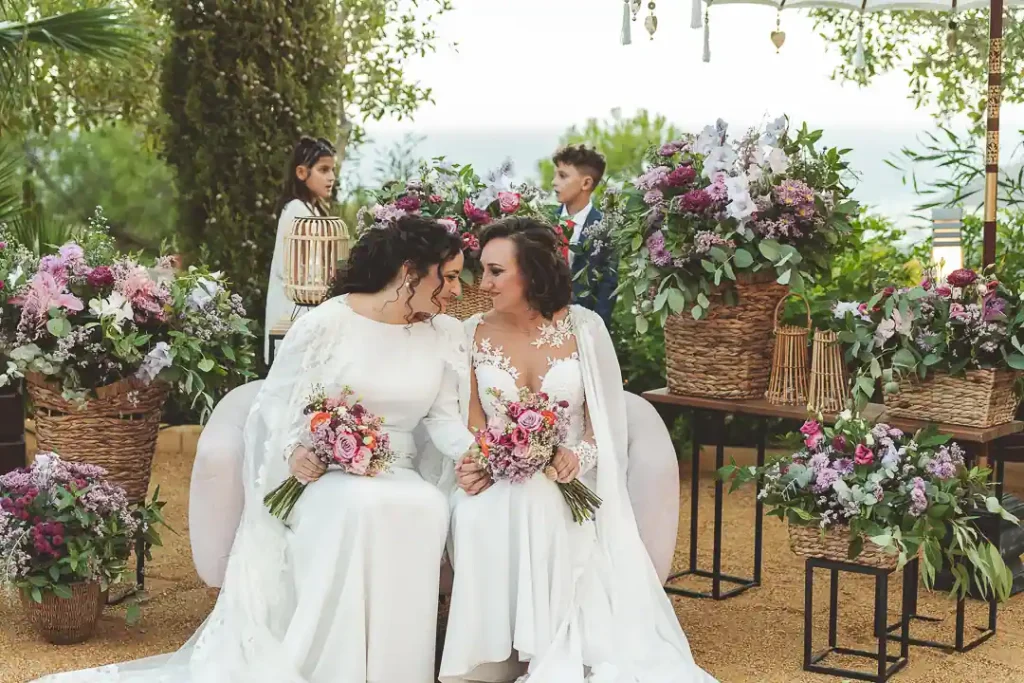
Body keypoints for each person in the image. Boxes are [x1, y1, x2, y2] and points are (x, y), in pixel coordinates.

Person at [33, 216, 476, 683]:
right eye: (447, 277)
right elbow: (278, 406)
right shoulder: (327, 323)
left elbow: (444, 418)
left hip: (400, 470)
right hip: (327, 473)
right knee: (358, 507)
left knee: (426, 505)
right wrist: (295, 452)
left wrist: (478, 454)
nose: (456, 291)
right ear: (410, 271)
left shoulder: (443, 333)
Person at [440, 217, 716, 683]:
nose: (481, 283)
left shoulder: (585, 328)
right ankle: (492, 652)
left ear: (531, 273)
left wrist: (576, 458)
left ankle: (546, 649)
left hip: (570, 478)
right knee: (482, 509)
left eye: (494, 272)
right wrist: (482, 460)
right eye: (480, 270)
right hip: (496, 473)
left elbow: (604, 424)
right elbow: (473, 421)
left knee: (541, 501)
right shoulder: (470, 333)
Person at [265, 136, 337, 365]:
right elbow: (296, 271)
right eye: (324, 170)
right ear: (301, 172)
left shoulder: (311, 210)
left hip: (305, 309)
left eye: (332, 170)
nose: (331, 177)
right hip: (293, 311)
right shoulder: (298, 210)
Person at [552, 144, 617, 329]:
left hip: (583, 328)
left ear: (586, 183)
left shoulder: (605, 229)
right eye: (555, 174)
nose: (554, 182)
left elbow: (607, 287)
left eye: (562, 175)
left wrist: (596, 334)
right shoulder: (545, 220)